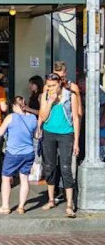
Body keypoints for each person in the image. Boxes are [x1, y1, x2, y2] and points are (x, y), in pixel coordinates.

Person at [39, 72, 79, 218]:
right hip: (49, 133)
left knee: (66, 168)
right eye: (48, 86)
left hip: (66, 134)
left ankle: (69, 204)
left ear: (60, 83)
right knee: (49, 167)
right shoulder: (45, 96)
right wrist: (50, 100)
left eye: (53, 86)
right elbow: (43, 117)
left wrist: (76, 141)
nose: (51, 88)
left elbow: (75, 118)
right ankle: (51, 199)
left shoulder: (70, 96)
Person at [0, 96, 37, 215]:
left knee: (6, 178)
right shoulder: (33, 118)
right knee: (24, 179)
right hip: (28, 153)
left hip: (13, 153)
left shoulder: (10, 117)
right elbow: (37, 135)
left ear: (16, 106)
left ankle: (5, 207)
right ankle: (21, 207)